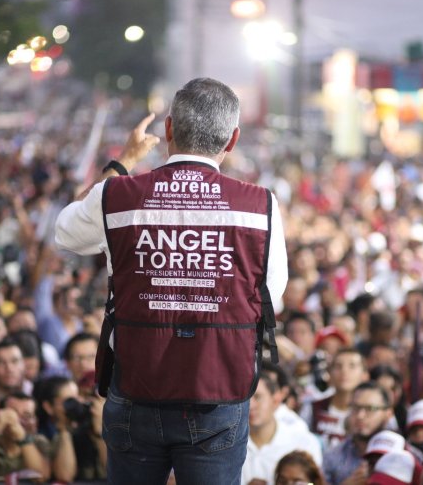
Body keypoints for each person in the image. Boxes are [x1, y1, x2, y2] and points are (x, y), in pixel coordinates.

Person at [55, 77, 288, 484]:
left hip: (135, 390)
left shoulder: (119, 195)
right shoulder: (260, 206)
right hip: (217, 395)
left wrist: (123, 161)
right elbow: (272, 296)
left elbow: (66, 231)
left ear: (167, 129)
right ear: (231, 140)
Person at [242, 373, 321, 485]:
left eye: (257, 397)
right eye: (244, 398)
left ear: (276, 400)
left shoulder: (304, 443)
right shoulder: (224, 444)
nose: (250, 405)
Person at [322, 381, 394, 485]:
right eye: (355, 407)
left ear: (388, 414)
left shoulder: (406, 454)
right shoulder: (332, 456)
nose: (360, 415)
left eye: (370, 408)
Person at [310, 347, 369, 449]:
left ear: (365, 375)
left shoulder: (371, 412)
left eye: (352, 366)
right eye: (338, 366)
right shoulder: (312, 408)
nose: (344, 371)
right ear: (329, 373)